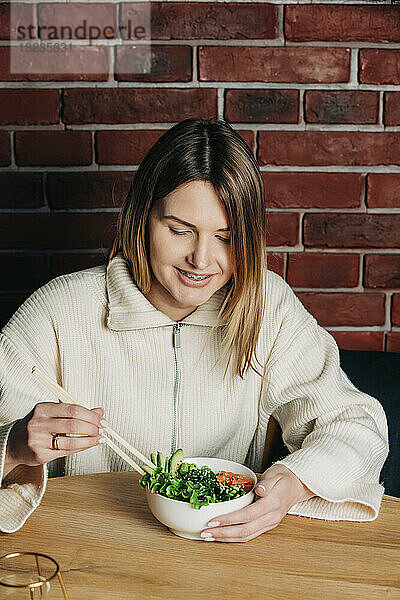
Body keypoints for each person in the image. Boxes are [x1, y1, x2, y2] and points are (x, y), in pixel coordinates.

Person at [0, 119, 389, 541]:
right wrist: (15, 445)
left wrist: (293, 484)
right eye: (181, 230)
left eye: (225, 237)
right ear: (142, 217)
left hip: (219, 552)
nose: (201, 260)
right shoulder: (57, 311)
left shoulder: (265, 304)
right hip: (83, 548)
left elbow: (356, 425)